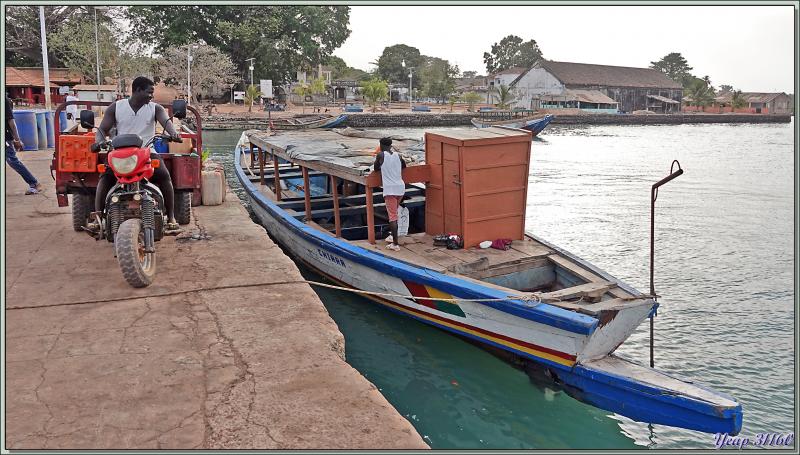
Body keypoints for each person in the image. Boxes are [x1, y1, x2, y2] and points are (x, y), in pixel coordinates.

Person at [93, 76, 182, 234]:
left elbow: (166, 123)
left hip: (146, 152)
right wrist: (99, 141)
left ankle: (171, 218)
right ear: (138, 90)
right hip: (119, 153)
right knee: (105, 177)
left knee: (164, 176)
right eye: (149, 92)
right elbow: (102, 129)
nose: (151, 96)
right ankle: (97, 218)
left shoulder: (155, 108)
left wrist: (174, 134)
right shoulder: (116, 107)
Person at [373, 137, 406, 251]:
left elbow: (376, 168)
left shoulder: (381, 155)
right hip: (400, 188)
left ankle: (395, 244)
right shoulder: (398, 155)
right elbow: (404, 166)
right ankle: (392, 237)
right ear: (391, 145)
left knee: (392, 217)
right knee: (394, 214)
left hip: (390, 190)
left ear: (381, 145)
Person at [5, 95, 43, 195]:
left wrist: (17, 140)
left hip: (5, 138)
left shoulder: (4, 101)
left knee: (12, 161)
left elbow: (11, 122)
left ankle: (34, 183)